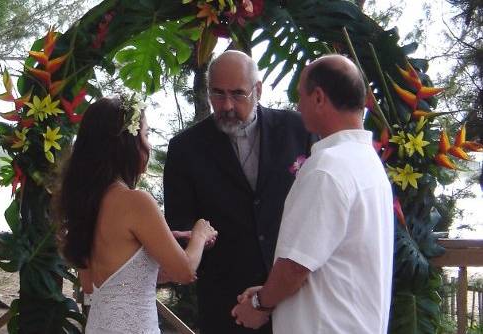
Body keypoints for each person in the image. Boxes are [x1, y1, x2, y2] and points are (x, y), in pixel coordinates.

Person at [232, 54, 394, 333]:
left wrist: (259, 304)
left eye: (301, 95)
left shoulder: (328, 167)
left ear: (318, 97)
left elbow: (295, 268)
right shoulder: (367, 162)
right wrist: (271, 290)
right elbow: (326, 261)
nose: (298, 105)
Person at [163, 50, 313, 334]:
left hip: (295, 298)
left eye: (238, 94)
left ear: (257, 89)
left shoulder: (297, 130)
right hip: (226, 306)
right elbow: (180, 228)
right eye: (217, 94)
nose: (227, 105)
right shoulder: (185, 149)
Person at [55, 96, 217, 334]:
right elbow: (185, 271)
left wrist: (155, 248)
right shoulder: (135, 202)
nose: (149, 145)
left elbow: (91, 284)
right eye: (146, 135)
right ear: (128, 143)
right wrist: (200, 234)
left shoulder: (86, 202)